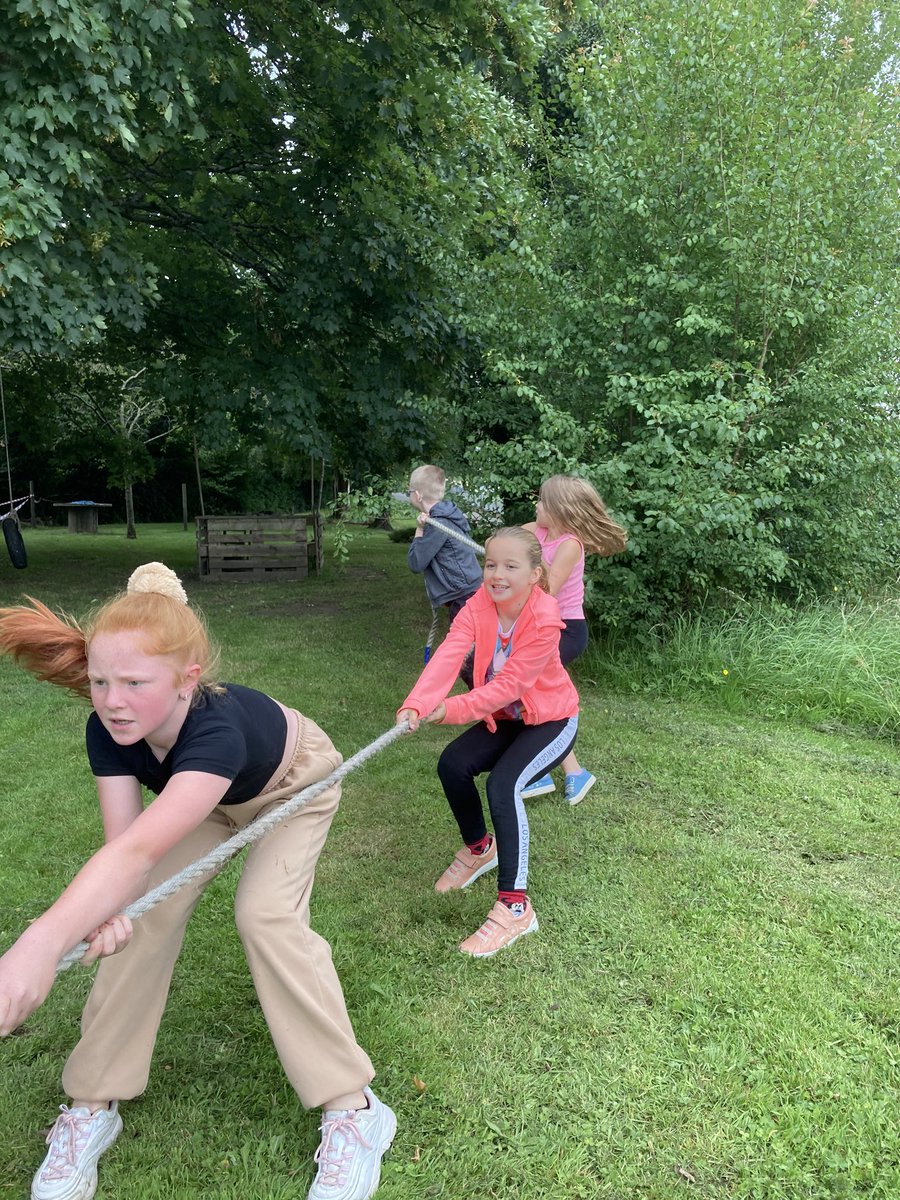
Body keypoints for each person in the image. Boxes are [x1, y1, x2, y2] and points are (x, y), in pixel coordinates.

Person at [0, 563, 395, 1200]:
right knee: (140, 920)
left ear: (187, 681)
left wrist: (37, 947)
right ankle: (91, 1105)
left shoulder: (216, 728)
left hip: (294, 781)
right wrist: (112, 910)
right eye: (100, 681)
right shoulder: (109, 729)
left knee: (264, 916)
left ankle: (355, 1109)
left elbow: (138, 851)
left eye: (133, 682)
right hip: (204, 800)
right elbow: (126, 850)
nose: (111, 700)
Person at [397, 527, 579, 957]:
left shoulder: (546, 618)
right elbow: (449, 652)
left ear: (535, 574)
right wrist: (419, 703)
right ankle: (480, 849)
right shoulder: (481, 604)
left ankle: (516, 908)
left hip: (551, 720)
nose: (496, 574)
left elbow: (511, 686)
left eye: (510, 566)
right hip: (507, 720)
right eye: (490, 564)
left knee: (504, 786)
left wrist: (451, 710)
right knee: (452, 764)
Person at [519, 475, 627, 806]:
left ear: (558, 511)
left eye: (542, 501)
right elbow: (509, 542)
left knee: (533, 690)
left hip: (567, 630)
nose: (536, 505)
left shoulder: (570, 545)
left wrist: (525, 559)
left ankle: (541, 771)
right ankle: (570, 772)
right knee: (530, 691)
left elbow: (547, 586)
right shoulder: (532, 530)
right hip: (541, 628)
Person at [406, 465, 482, 681]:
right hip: (469, 592)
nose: (409, 494)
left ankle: (493, 709)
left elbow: (415, 562)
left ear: (418, 495)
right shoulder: (449, 514)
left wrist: (419, 530)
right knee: (471, 658)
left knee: (468, 662)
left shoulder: (437, 524)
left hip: (465, 597)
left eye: (409, 491)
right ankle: (492, 709)